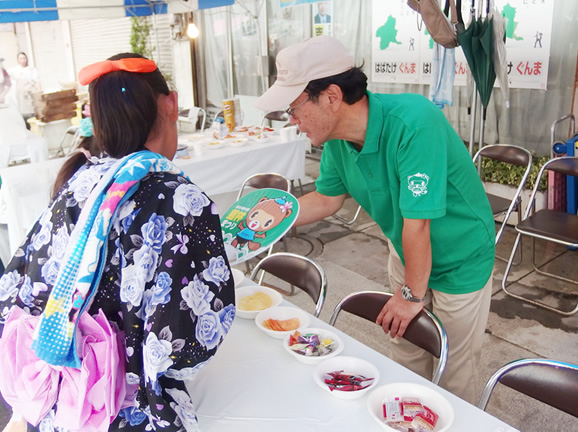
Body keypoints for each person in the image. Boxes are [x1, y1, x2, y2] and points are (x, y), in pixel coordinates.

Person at [0, 53, 236, 432]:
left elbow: (16, 289)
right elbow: (188, 344)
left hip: (60, 407)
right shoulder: (180, 200)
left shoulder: (76, 182)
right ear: (171, 104)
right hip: (128, 416)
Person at [255, 36, 495, 404]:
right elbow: (326, 198)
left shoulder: (414, 121)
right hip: (406, 251)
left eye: (295, 107)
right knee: (407, 354)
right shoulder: (335, 139)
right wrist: (275, 217)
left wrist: (411, 294)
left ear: (332, 97)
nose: (293, 121)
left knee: (453, 372)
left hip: (460, 258)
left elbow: (419, 222)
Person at [7, 52, 40, 129]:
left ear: (26, 59)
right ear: (18, 60)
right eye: (20, 58)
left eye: (24, 58)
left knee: (33, 112)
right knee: (24, 114)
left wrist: (39, 92)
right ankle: (27, 130)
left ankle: (35, 129)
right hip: (21, 96)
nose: (22, 60)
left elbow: (37, 81)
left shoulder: (31, 69)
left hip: (31, 94)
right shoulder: (14, 70)